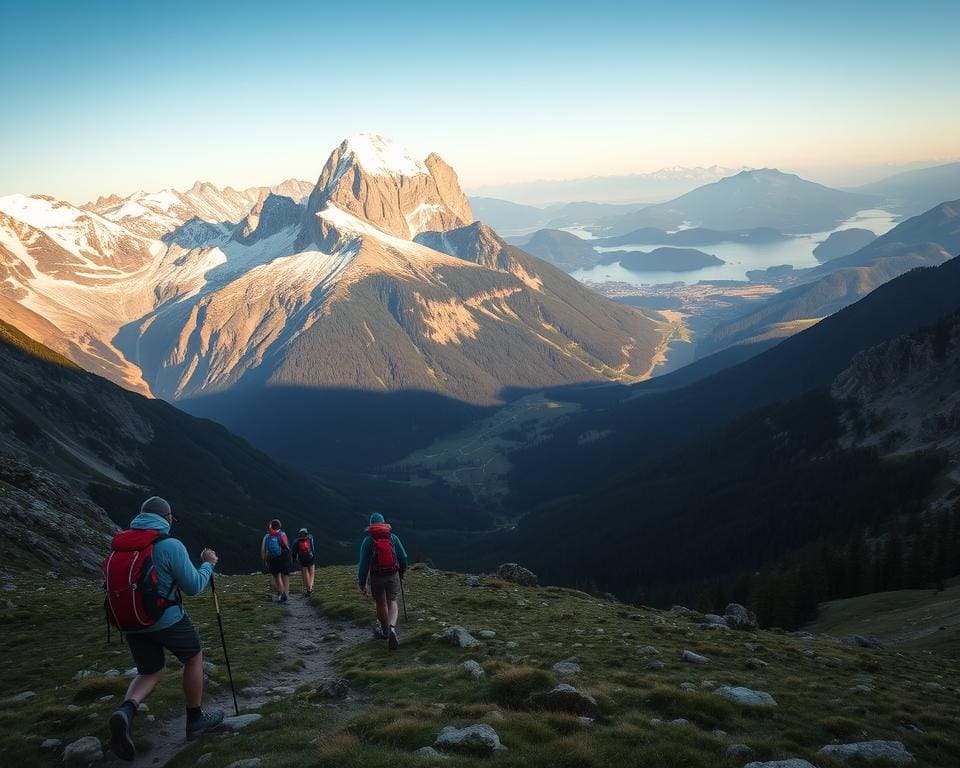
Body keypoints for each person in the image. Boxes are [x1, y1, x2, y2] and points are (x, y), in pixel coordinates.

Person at [107, 496, 223, 761]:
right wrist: (208, 564)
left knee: (149, 671)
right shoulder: (170, 544)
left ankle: (126, 711)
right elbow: (193, 586)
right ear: (167, 518)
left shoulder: (121, 545)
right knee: (193, 657)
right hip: (167, 619)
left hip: (131, 621)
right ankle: (195, 719)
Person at [357, 512, 408, 650]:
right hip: (392, 574)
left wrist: (362, 583)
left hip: (376, 576)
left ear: (371, 525)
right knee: (392, 602)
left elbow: (363, 565)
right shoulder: (392, 537)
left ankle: (385, 632)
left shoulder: (368, 541)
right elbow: (403, 557)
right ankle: (392, 628)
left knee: (380, 603)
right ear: (384, 523)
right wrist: (402, 571)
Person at [261, 519, 292, 602]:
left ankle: (281, 593)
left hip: (272, 559)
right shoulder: (282, 534)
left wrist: (265, 560)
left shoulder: (266, 536)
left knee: (277, 576)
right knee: (285, 576)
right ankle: (286, 594)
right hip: (283, 557)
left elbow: (263, 550)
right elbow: (286, 547)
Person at [293, 527, 316, 596]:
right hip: (310, 557)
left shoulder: (296, 541)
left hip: (302, 559)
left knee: (305, 573)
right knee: (311, 573)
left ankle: (307, 588)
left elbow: (294, 552)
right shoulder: (310, 538)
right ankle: (310, 587)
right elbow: (312, 548)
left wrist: (294, 560)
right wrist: (313, 555)